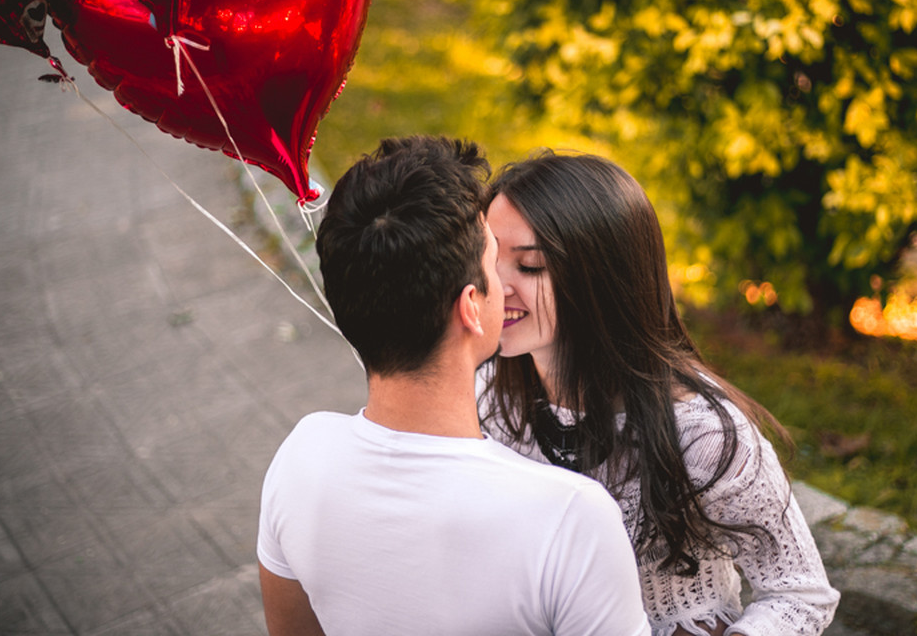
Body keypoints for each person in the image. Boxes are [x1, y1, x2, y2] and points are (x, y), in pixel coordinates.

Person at [256, 136, 651, 636]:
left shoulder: (300, 457)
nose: (506, 285)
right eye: (493, 259)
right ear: (470, 306)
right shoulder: (572, 520)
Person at [478, 151, 840, 636]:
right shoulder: (483, 399)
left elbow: (799, 592)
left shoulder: (704, 433)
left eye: (530, 265)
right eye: (487, 257)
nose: (495, 287)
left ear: (603, 281)